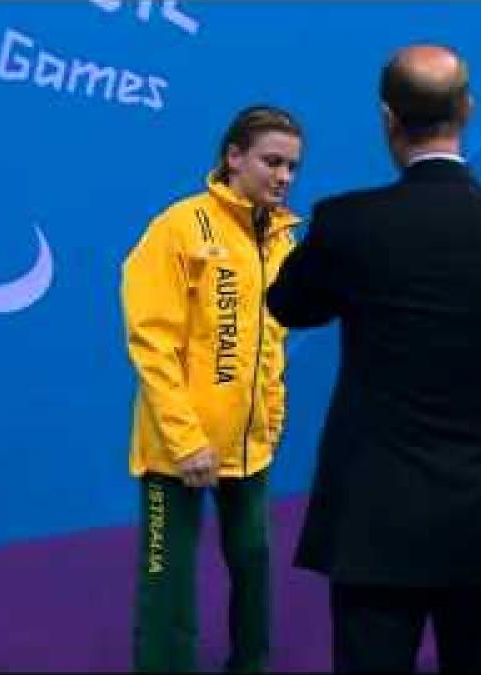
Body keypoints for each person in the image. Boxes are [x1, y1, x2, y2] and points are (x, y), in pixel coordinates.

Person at [266, 44, 481, 673]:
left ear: (387, 118)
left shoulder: (347, 222)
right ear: (468, 109)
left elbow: (289, 306)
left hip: (373, 511)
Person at [120, 105, 304, 672]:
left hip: (249, 448)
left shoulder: (280, 241)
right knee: (167, 578)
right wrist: (184, 439)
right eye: (272, 162)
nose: (284, 177)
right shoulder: (179, 226)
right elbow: (153, 342)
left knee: (253, 562)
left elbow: (270, 341)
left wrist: (271, 417)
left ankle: (250, 666)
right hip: (179, 450)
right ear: (234, 157)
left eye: (293, 167)